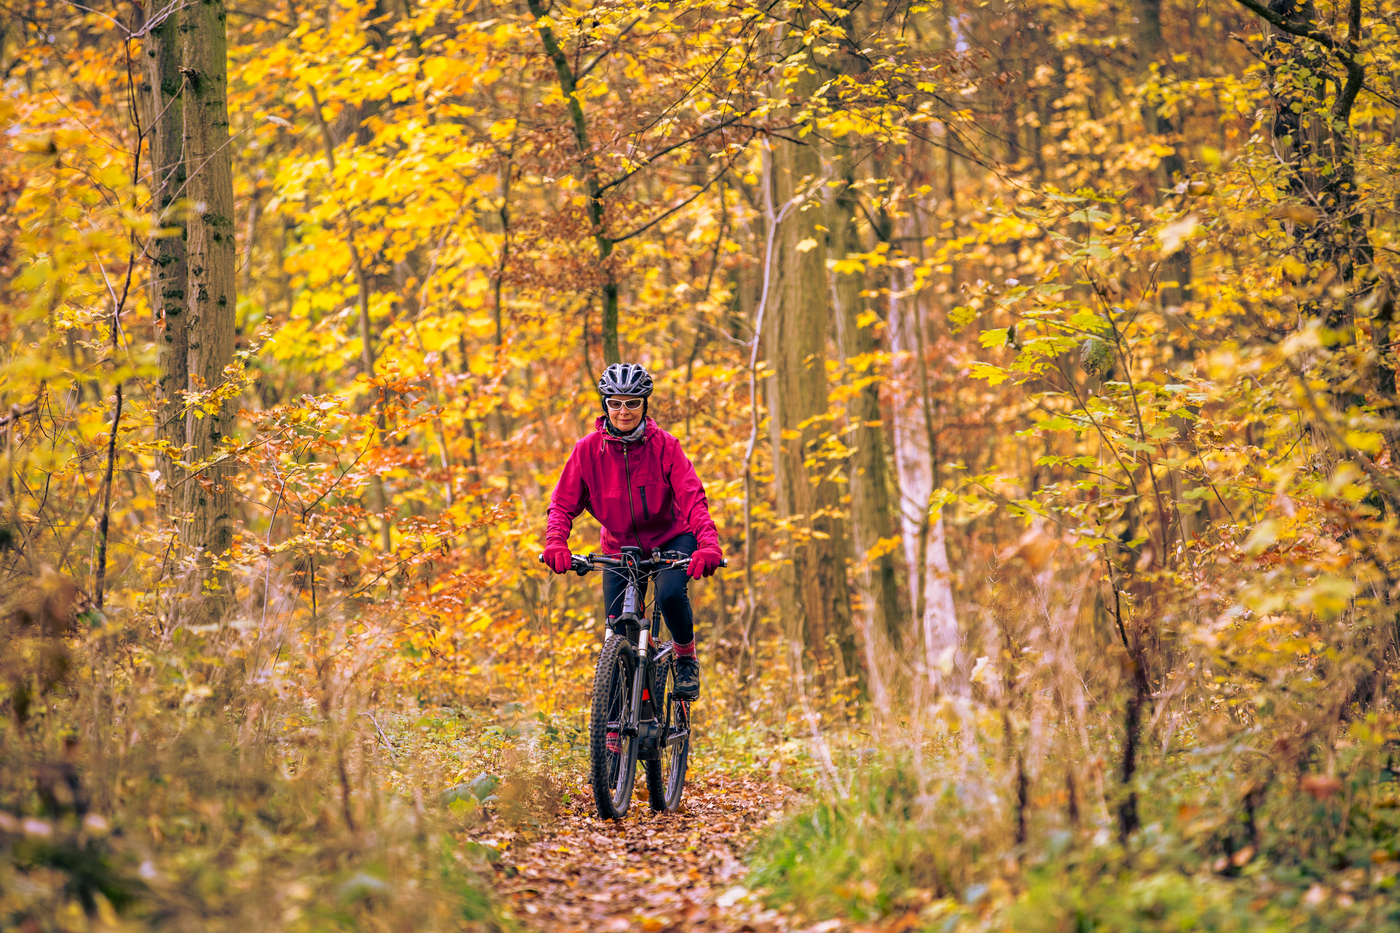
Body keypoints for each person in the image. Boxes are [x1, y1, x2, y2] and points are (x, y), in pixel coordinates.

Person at [542, 363, 723, 699]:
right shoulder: (587, 450)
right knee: (617, 633)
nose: (623, 411)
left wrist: (708, 545)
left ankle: (685, 657)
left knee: (669, 594)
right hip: (619, 547)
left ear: (645, 405)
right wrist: (556, 541)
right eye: (615, 403)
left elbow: (693, 499)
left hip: (671, 537)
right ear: (605, 405)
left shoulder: (666, 447)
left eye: (632, 403)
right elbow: (562, 503)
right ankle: (612, 735)